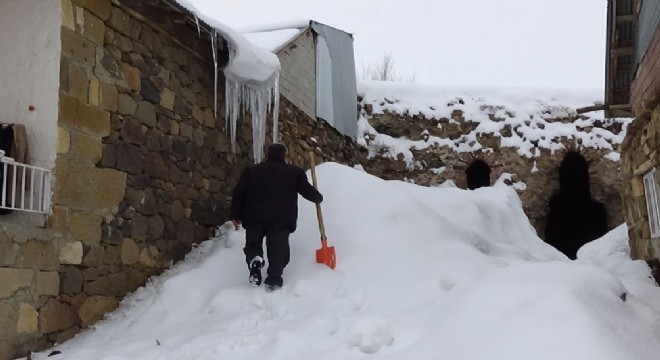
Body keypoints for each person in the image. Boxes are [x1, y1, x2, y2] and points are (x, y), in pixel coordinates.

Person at [230, 143, 323, 290]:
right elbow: (306, 191)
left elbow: (239, 194)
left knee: (253, 244)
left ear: (267, 154)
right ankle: (273, 278)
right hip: (281, 218)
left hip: (254, 216)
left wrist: (236, 215)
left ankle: (255, 259)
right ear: (284, 156)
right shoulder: (295, 173)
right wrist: (318, 197)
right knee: (278, 248)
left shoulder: (252, 171)